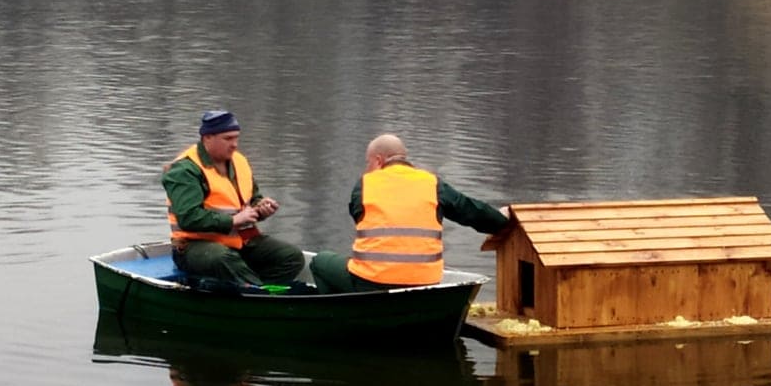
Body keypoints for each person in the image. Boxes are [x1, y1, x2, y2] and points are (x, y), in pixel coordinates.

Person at [310, 133, 510, 293]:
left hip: (371, 281)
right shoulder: (432, 183)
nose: (367, 168)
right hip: (425, 281)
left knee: (320, 261)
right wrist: (501, 219)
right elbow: (469, 210)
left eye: (368, 162)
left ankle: (340, 313)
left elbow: (359, 218)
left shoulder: (365, 184)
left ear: (378, 160)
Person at [162, 110, 308, 287]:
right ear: (207, 138)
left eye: (236, 138)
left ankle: (254, 290)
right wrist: (233, 221)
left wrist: (261, 208)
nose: (235, 144)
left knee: (291, 257)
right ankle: (258, 294)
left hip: (240, 241)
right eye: (228, 138)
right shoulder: (185, 170)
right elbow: (188, 218)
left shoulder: (239, 161)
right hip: (194, 247)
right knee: (222, 257)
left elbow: (252, 198)